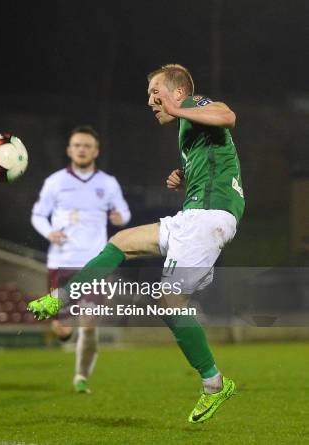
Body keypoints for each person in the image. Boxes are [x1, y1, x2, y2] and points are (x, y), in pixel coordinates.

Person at [28, 64, 244, 423]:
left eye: (155, 92)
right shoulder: (188, 125)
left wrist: (178, 109)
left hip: (209, 216)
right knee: (121, 242)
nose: (150, 101)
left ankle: (214, 384)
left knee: (169, 300)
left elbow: (227, 115)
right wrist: (185, 176)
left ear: (178, 93)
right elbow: (215, 154)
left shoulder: (194, 105)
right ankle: (60, 298)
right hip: (194, 215)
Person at [31, 125, 131, 393]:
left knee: (89, 325)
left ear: (96, 151)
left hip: (94, 263)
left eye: (87, 145)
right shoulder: (55, 182)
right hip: (61, 262)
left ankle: (80, 378)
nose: (82, 149)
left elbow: (123, 211)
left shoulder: (107, 183)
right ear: (69, 150)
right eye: (77, 145)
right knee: (62, 329)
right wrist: (48, 232)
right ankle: (64, 331)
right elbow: (38, 214)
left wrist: (120, 218)